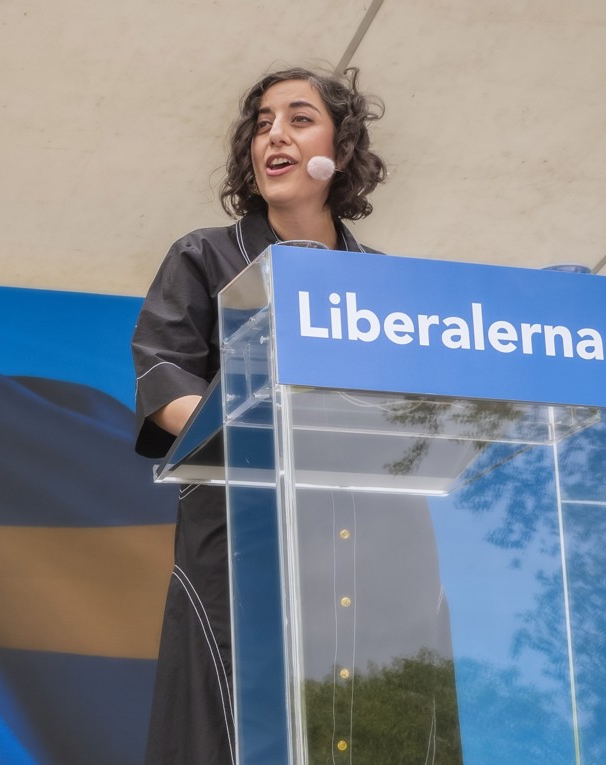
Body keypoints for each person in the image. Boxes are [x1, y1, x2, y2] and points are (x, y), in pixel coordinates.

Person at [131, 67, 390, 764]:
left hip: (362, 546)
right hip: (238, 540)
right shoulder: (203, 256)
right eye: (262, 123)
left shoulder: (383, 282)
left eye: (299, 119)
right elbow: (164, 381)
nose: (273, 135)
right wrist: (263, 435)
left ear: (342, 148)